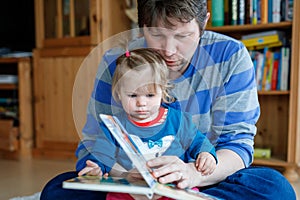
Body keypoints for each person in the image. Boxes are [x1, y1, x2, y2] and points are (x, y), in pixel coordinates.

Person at [41, 0, 296, 199]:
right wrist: (114, 174)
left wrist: (191, 174)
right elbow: (94, 140)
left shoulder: (231, 56)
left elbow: (237, 145)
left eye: (183, 36)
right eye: (158, 36)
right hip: (130, 185)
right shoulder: (118, 62)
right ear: (141, 26)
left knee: (274, 188)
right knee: (56, 191)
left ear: (204, 23)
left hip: (201, 182)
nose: (169, 51)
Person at [78, 48, 217, 199]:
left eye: (150, 95)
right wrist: (97, 168)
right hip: (131, 187)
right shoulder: (113, 125)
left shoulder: (178, 120)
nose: (141, 103)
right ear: (119, 94)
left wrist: (206, 154)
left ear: (163, 92)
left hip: (171, 186)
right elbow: (102, 154)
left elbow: (198, 141)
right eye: (132, 95)